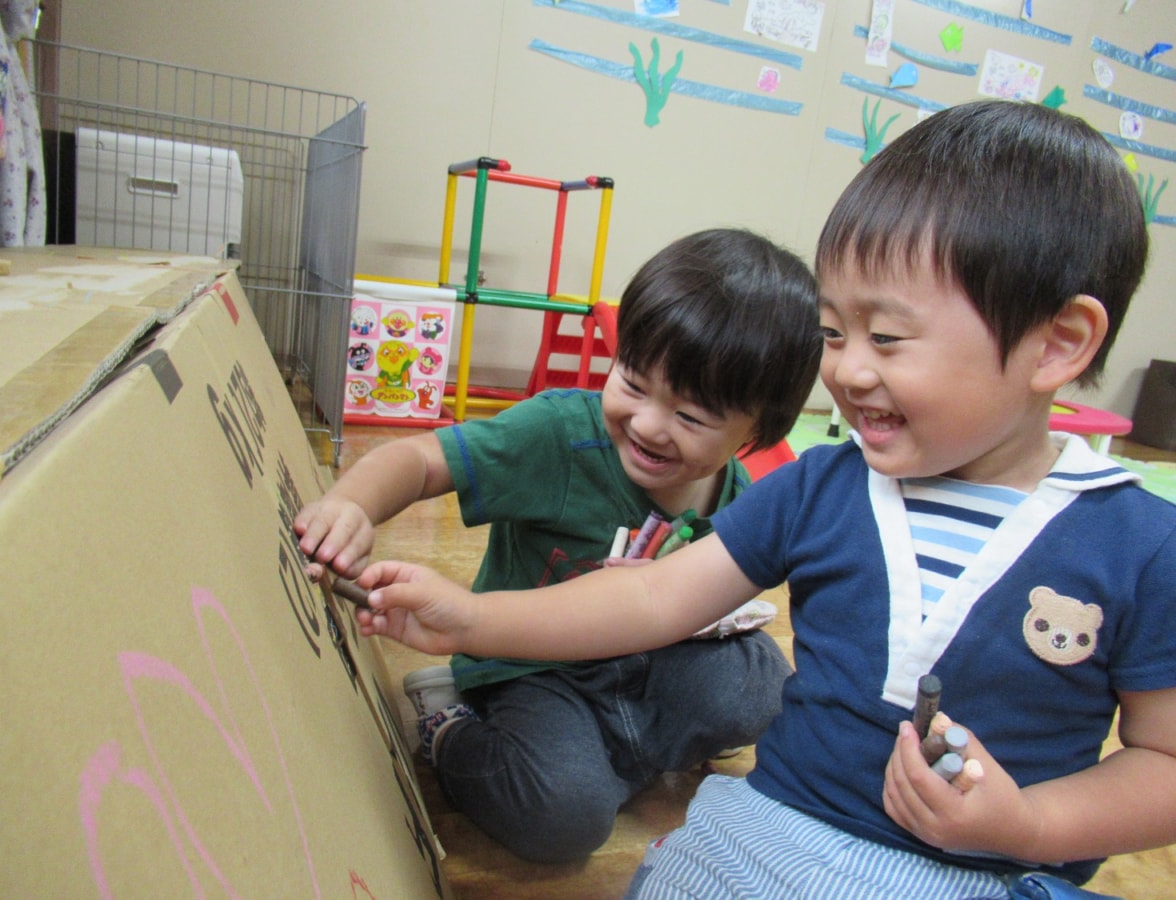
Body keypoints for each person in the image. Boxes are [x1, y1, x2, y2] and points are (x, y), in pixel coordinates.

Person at [349, 100, 1176, 897]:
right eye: (834, 334)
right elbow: (654, 596)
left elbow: (1163, 762)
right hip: (778, 840)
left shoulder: (1142, 545)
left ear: (1056, 344)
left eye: (887, 337)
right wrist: (472, 620)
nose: (846, 370)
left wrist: (1030, 825)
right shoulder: (822, 487)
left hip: (996, 874)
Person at [295, 227, 823, 863]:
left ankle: (612, 751)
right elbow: (419, 459)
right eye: (632, 382)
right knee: (563, 818)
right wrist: (352, 504)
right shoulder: (560, 435)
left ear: (758, 429)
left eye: (690, 417)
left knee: (763, 688)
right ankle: (450, 728)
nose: (647, 423)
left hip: (644, 661)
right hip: (529, 663)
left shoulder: (741, 496)